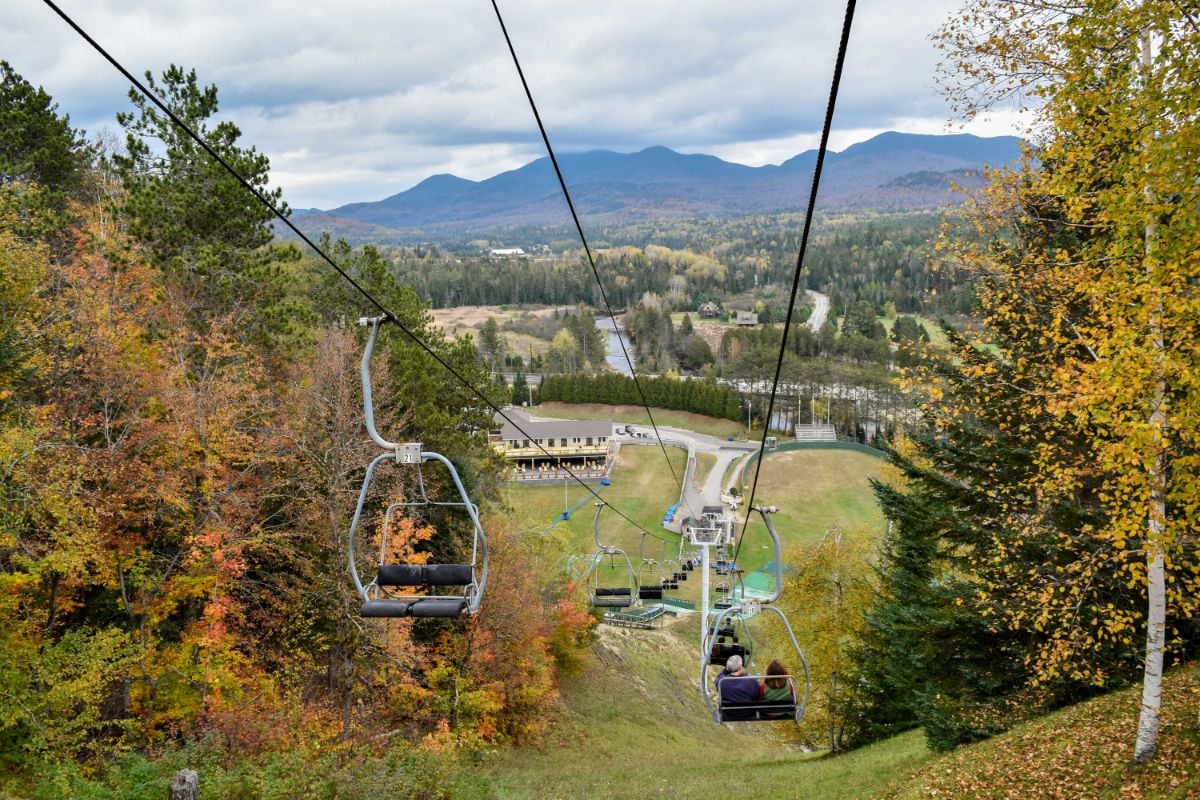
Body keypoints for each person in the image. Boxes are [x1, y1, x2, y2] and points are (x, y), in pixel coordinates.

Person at [715, 654, 759, 719]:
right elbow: (756, 696)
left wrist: (727, 669)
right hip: (748, 713)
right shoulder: (751, 681)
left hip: (728, 713)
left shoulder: (721, 682)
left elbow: (718, 677)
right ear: (740, 667)